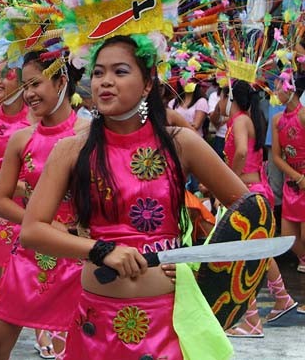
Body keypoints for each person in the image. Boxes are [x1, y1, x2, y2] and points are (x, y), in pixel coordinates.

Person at [21, 36, 244, 359]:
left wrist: (200, 266)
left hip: (168, 326)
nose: (105, 82)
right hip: (95, 328)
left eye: (120, 71)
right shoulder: (72, 149)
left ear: (147, 82)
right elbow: (32, 230)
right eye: (98, 73)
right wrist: (100, 249)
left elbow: (249, 212)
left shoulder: (181, 144)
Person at [0, 51, 87, 360]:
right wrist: (42, 223)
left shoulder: (89, 134)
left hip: (77, 257)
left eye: (35, 84)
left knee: (71, 347)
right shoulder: (21, 139)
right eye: (25, 86)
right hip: (29, 256)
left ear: (61, 81)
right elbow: (1, 202)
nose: (28, 94)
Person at [220, 81, 297, 337]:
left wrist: (227, 179)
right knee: (259, 250)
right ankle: (282, 298)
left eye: (223, 98)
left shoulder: (241, 120)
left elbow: (241, 152)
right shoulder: (247, 119)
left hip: (246, 192)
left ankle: (251, 320)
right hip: (254, 191)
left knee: (238, 253)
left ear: (230, 99)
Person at [271, 76, 305, 285]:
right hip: (293, 181)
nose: (275, 94)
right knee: (288, 237)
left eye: (277, 89)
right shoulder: (277, 120)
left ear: (289, 90)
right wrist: (297, 177)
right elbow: (276, 156)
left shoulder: (303, 115)